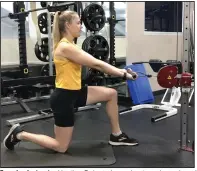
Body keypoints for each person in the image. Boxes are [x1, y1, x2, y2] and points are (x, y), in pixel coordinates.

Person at [3, 10, 139, 153]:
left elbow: (98, 62)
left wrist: (123, 72)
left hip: (76, 92)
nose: (81, 26)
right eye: (78, 23)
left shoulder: (71, 45)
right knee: (61, 146)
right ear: (68, 25)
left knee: (111, 94)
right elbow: (97, 64)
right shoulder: (65, 47)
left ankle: (116, 135)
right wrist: (123, 74)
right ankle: (19, 134)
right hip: (64, 98)